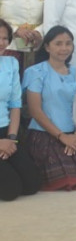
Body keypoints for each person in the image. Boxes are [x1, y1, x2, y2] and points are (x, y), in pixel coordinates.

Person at [22, 25, 76, 191]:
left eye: (68, 43)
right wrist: (61, 136)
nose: (64, 48)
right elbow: (35, 110)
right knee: (66, 179)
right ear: (47, 47)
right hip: (45, 134)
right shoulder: (36, 72)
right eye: (58, 43)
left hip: (72, 134)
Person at [0, 19, 41, 200]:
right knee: (11, 190)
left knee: (32, 184)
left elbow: (15, 105)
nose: (1, 43)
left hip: (6, 131)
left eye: (4, 38)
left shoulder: (11, 63)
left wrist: (11, 139)